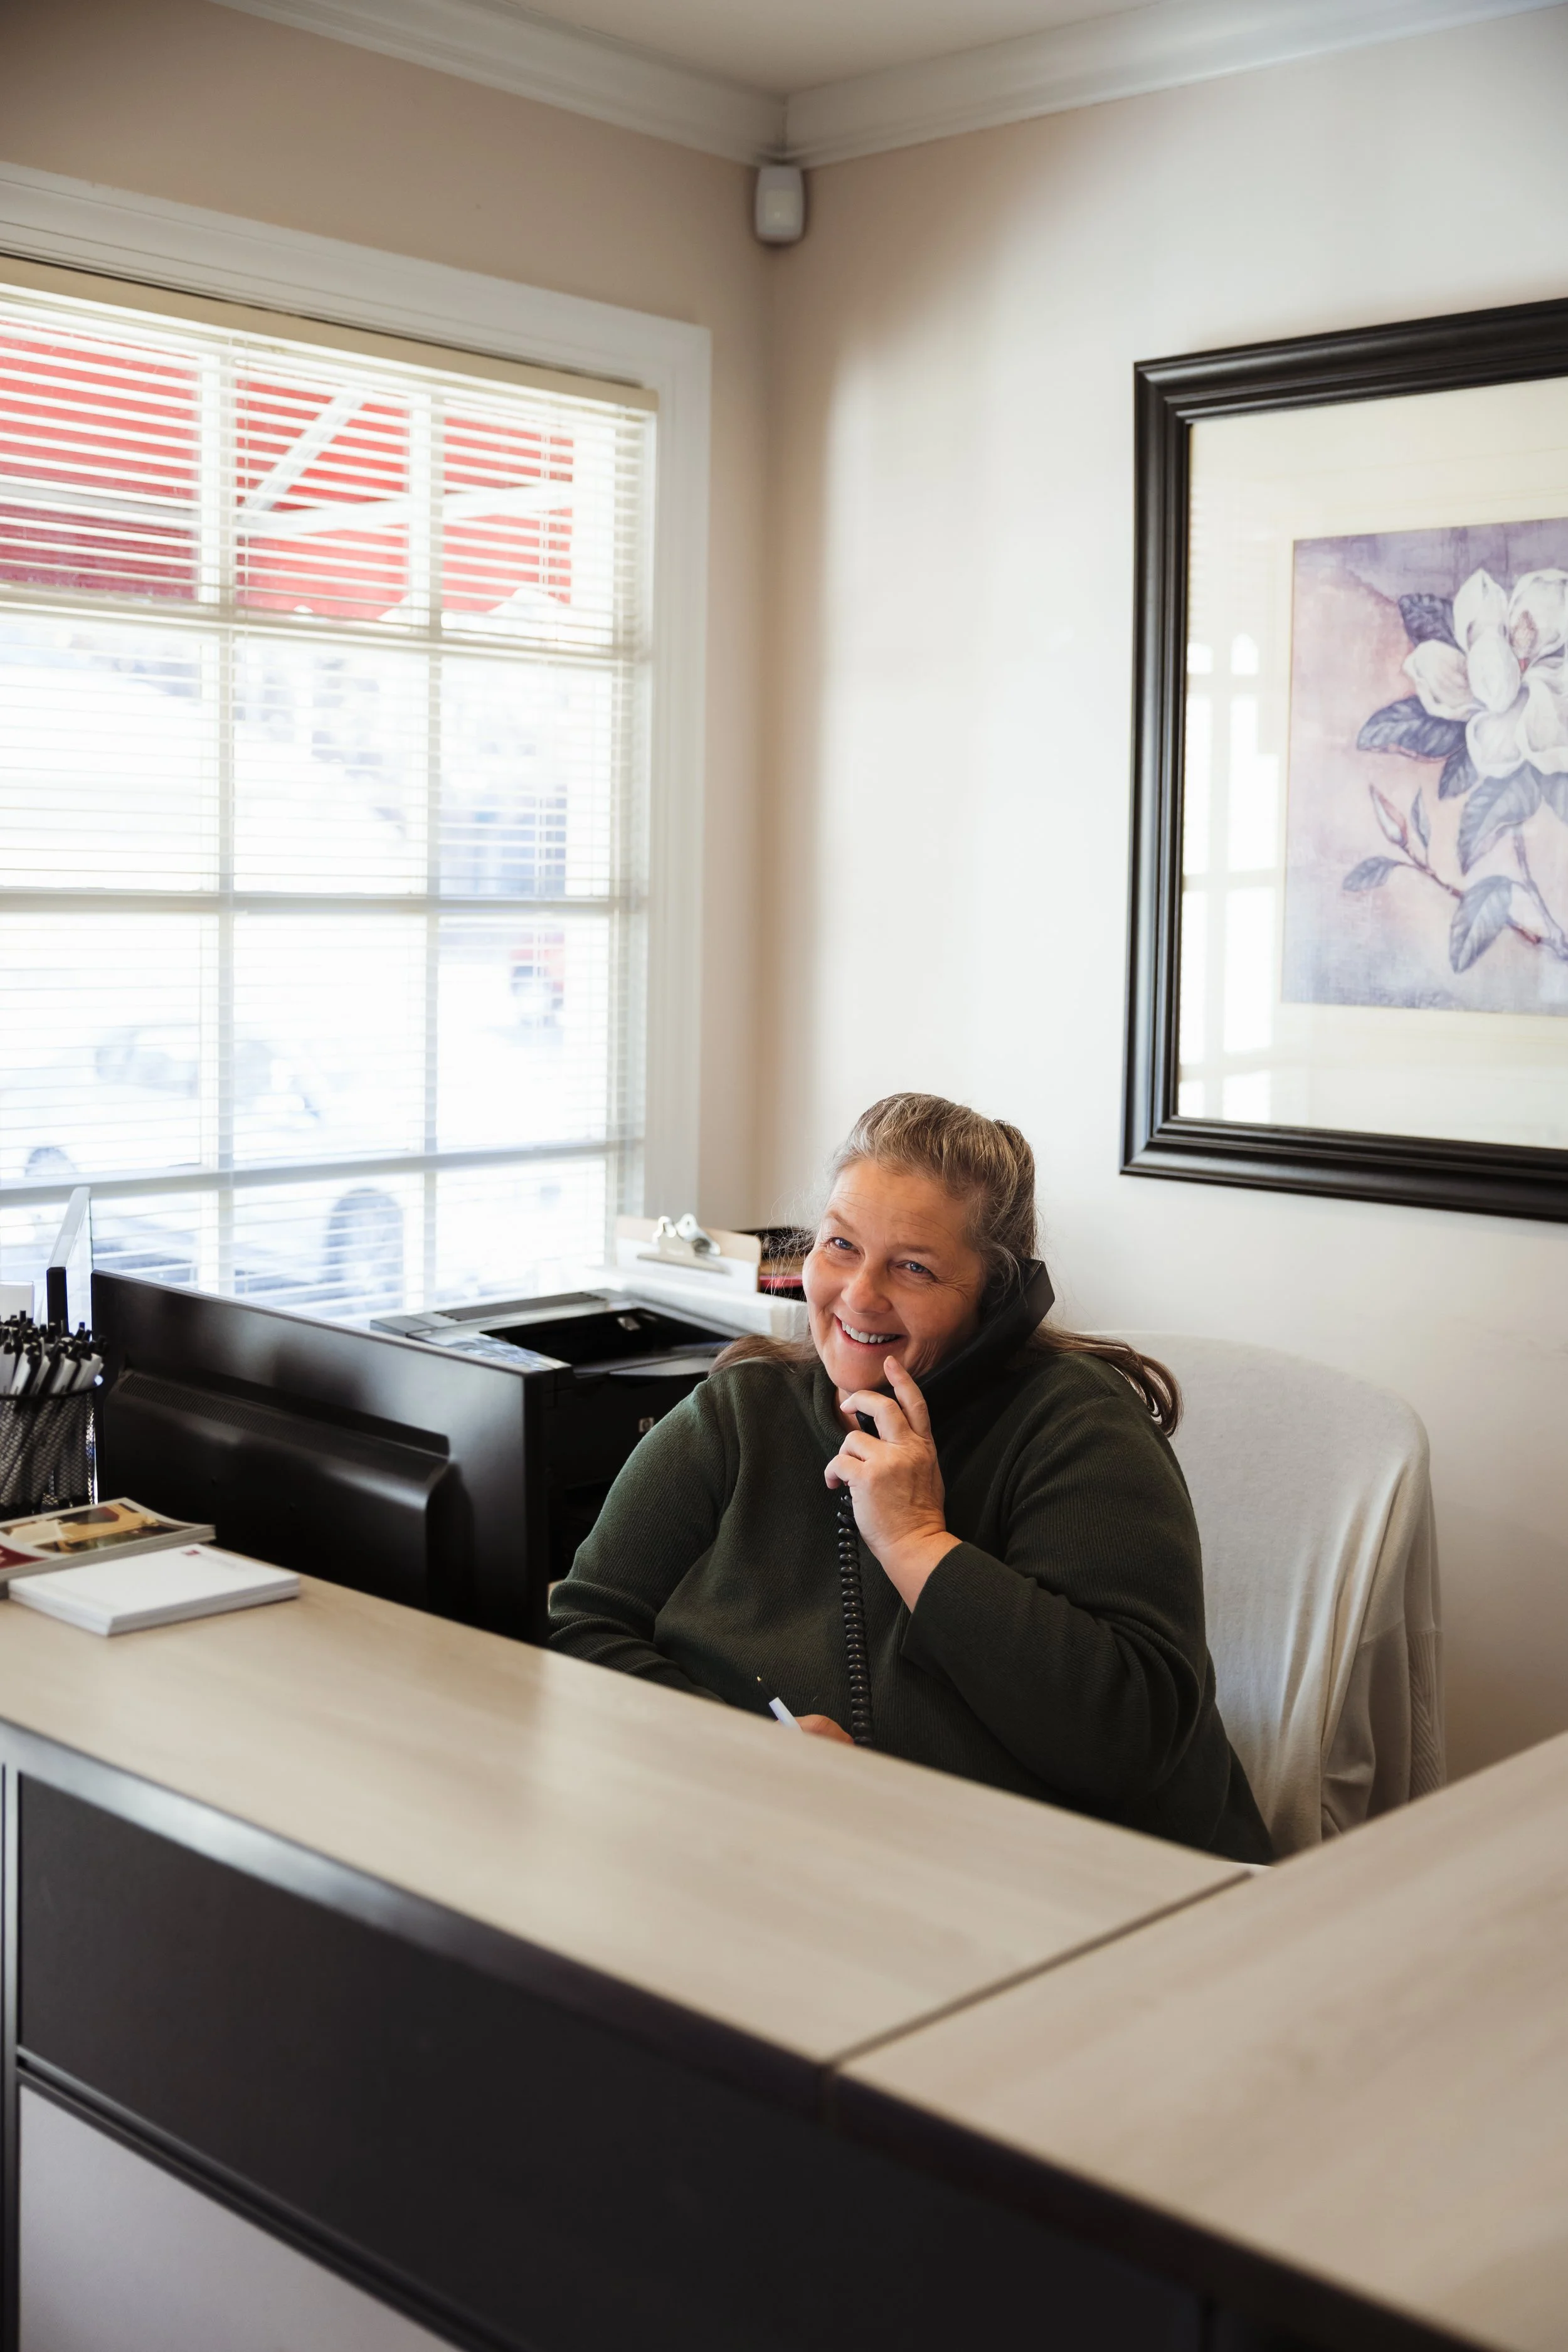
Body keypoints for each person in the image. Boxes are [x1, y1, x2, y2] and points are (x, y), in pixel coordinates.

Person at [549, 1094, 1271, 1863]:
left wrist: (916, 1540)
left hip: (1078, 1890)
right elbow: (581, 1631)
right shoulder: (739, 1412)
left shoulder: (1078, 1426)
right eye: (839, 1246)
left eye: (913, 1268)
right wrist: (743, 1747)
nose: (859, 1295)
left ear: (996, 1298)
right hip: (788, 1857)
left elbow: (1129, 1742)